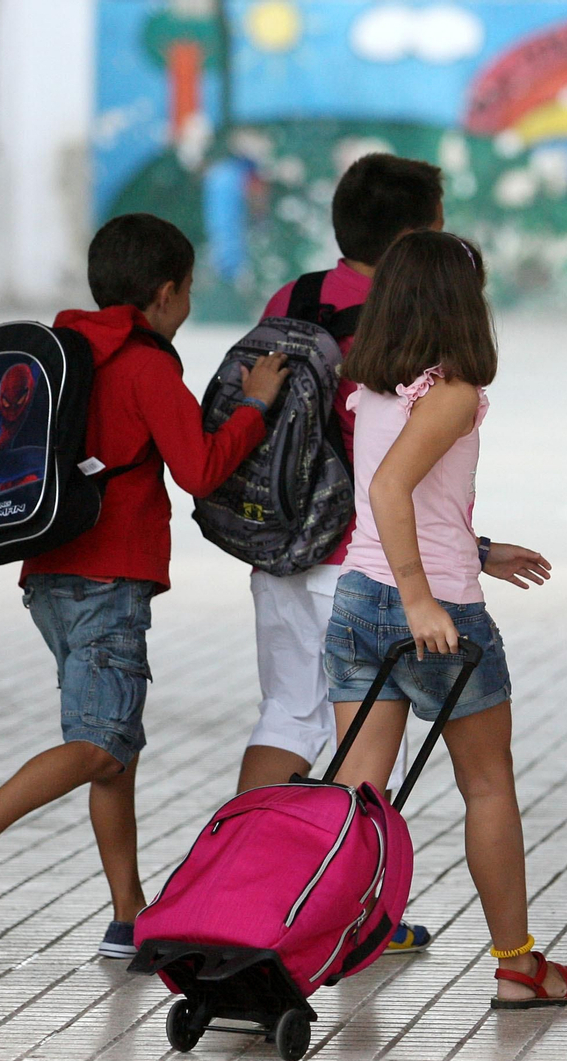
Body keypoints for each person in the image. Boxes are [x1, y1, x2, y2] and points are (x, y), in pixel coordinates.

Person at [0, 213, 290, 960]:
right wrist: (255, 405)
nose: (188, 305)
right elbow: (200, 469)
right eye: (188, 290)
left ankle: (129, 917)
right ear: (165, 292)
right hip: (108, 578)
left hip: (48, 574)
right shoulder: (146, 364)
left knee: (117, 751)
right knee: (98, 744)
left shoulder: (66, 351)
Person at [322, 230, 567, 1009]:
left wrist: (481, 549)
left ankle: (332, 934)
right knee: (487, 787)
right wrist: (421, 596)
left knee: (358, 797)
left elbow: (410, 499)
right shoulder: (452, 392)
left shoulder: (376, 387)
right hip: (433, 614)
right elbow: (389, 490)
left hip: (359, 600)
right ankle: (517, 964)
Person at [235, 152, 459, 954]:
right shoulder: (406, 318)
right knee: (366, 740)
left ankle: (242, 891)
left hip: (279, 547)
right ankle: (357, 914)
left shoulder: (291, 298)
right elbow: (405, 461)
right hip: (358, 556)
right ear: (410, 238)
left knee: (286, 714)